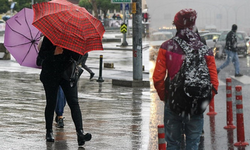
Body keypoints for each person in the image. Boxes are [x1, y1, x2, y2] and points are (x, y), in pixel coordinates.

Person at [153, 9, 218, 150]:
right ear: (193, 24)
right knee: (193, 145)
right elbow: (214, 83)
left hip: (174, 104)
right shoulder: (205, 50)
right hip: (195, 105)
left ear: (176, 25)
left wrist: (166, 98)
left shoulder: (166, 47)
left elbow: (158, 79)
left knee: (173, 144)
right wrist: (201, 100)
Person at [36, 36, 91, 147]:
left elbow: (77, 58)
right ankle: (49, 131)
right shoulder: (49, 37)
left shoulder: (73, 38)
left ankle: (80, 133)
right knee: (51, 103)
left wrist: (78, 49)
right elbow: (40, 57)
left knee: (74, 103)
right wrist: (54, 52)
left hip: (67, 74)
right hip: (50, 74)